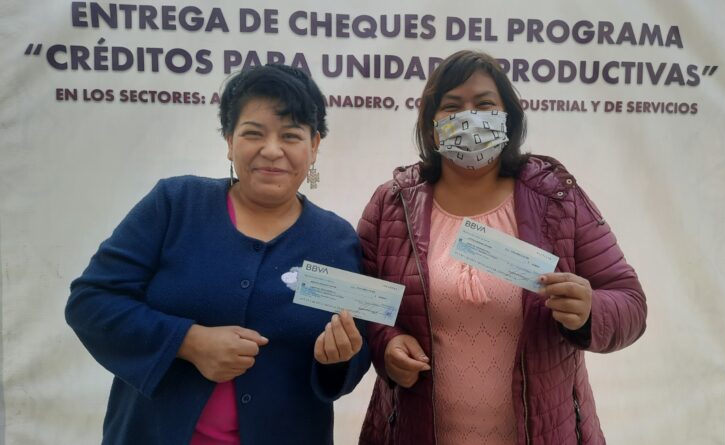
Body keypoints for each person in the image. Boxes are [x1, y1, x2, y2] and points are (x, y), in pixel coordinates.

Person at [65, 64, 370, 445]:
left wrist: (338, 359)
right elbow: (91, 302)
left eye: (291, 135)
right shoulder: (175, 205)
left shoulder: (335, 240)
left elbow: (355, 351)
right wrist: (187, 341)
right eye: (253, 133)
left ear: (314, 146)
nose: (271, 150)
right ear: (229, 140)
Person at [357, 50, 647, 445]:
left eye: (484, 104)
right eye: (452, 106)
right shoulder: (392, 204)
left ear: (508, 116)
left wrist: (590, 310)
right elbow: (364, 304)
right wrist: (386, 344)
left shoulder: (556, 198)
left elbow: (630, 302)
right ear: (430, 124)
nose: (469, 117)